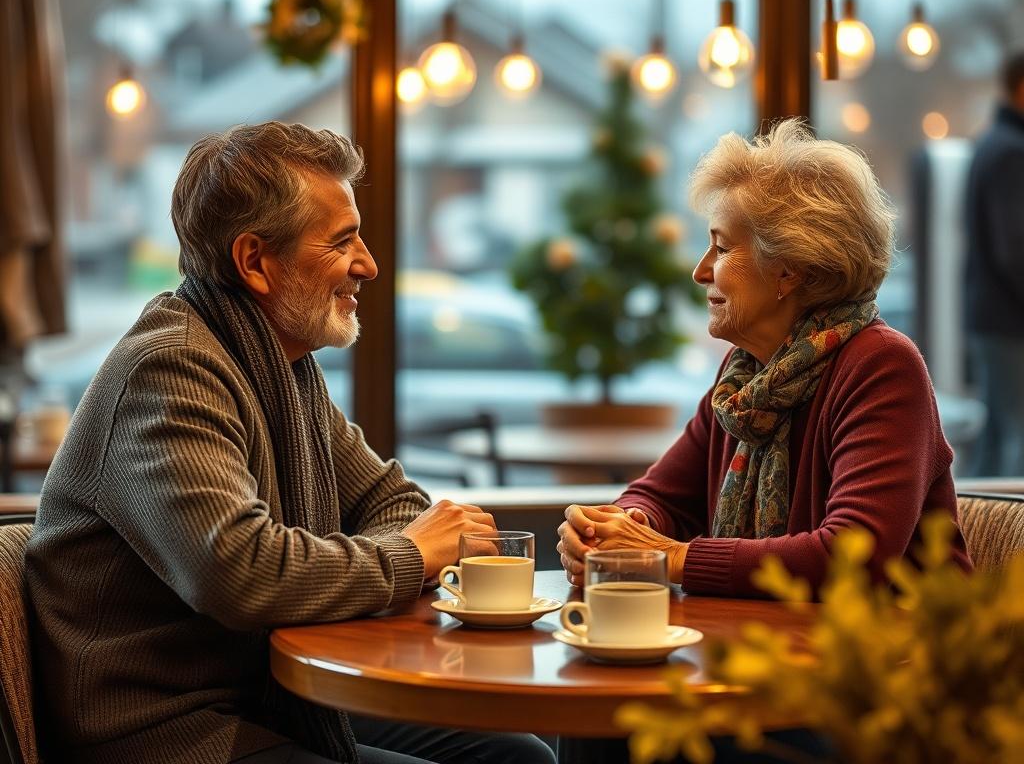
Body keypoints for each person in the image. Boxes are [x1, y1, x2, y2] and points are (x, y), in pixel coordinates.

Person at [25, 122, 555, 764]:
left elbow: (395, 502)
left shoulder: (281, 365)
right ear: (254, 261)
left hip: (268, 694)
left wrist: (397, 547)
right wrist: (409, 559)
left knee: (516, 755)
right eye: (342, 241)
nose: (369, 263)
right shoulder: (170, 370)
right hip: (162, 729)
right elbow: (240, 573)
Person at [555, 119, 974, 764]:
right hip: (766, 666)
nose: (700, 272)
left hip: (882, 689)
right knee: (602, 722)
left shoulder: (882, 366)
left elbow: (852, 554)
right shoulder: (747, 378)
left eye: (721, 248)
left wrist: (671, 558)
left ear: (790, 270)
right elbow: (661, 493)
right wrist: (617, 531)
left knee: (634, 732)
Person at [963, 51, 1024, 477]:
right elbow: (1015, 247)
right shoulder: (1011, 152)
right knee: (1017, 438)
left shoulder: (994, 144)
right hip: (1009, 320)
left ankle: (971, 538)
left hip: (993, 316)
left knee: (997, 436)